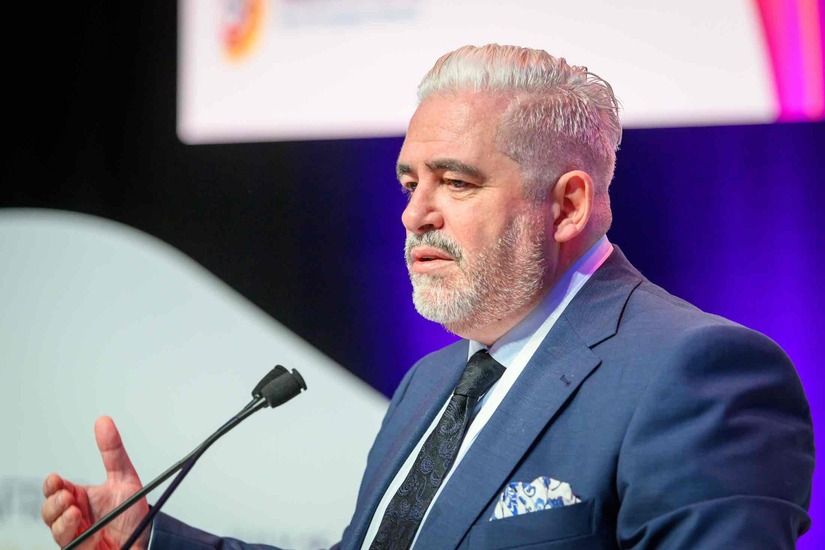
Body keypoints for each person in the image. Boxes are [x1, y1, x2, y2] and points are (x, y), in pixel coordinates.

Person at [41, 44, 814, 549]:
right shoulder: (430, 384)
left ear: (567, 205)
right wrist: (151, 539)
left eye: (457, 182)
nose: (415, 214)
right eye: (411, 182)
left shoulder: (695, 374)